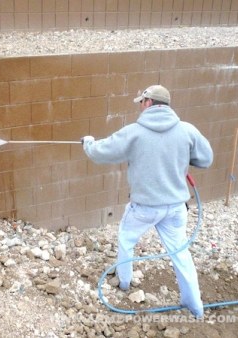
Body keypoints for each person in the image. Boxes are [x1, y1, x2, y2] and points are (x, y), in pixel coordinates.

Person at [81, 85, 213, 318]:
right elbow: (206, 159)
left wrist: (89, 143)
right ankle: (196, 306)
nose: (140, 106)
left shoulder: (134, 132)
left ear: (149, 102)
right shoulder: (187, 130)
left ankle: (124, 283)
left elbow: (101, 152)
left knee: (125, 238)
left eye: (141, 102)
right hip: (175, 209)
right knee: (181, 253)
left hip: (144, 208)